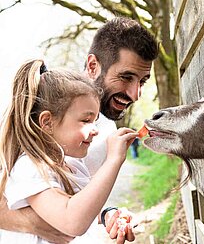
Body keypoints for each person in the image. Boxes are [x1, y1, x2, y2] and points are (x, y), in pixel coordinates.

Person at [0, 17, 159, 243]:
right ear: (93, 66)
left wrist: (108, 215)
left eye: (142, 82)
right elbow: (67, 217)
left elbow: (80, 201)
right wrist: (33, 223)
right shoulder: (41, 108)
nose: (135, 94)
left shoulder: (102, 133)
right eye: (126, 77)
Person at [0, 59, 137, 243]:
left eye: (95, 120)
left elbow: (84, 208)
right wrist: (113, 160)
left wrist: (108, 216)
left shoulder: (72, 164)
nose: (95, 129)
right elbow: (72, 220)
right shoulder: (30, 168)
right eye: (86, 120)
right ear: (47, 122)